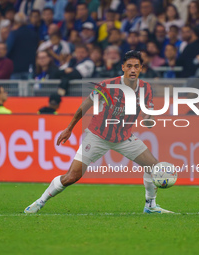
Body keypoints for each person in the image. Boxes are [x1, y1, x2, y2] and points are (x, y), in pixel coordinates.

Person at [24, 50, 173, 214]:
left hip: (123, 137)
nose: (132, 70)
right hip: (97, 136)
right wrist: (69, 128)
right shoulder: (108, 85)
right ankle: (40, 201)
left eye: (136, 66)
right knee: (72, 177)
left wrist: (148, 119)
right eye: (129, 66)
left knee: (153, 166)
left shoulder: (146, 89)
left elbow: (148, 116)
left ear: (141, 68)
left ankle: (150, 206)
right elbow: (85, 106)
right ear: (123, 67)